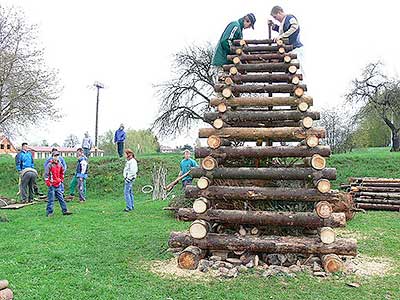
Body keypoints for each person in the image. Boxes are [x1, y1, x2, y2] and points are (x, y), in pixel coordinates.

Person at [269, 6, 305, 75]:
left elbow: (294, 27)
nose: (276, 19)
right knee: (292, 71)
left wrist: (281, 37)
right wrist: (274, 26)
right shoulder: (284, 22)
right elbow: (284, 29)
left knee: (298, 70)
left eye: (275, 17)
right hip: (292, 50)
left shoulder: (289, 18)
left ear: (279, 12)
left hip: (296, 49)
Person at [44, 151, 72, 217]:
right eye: (55, 156)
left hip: (58, 184)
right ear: (52, 157)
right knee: (51, 199)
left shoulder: (60, 164)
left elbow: (62, 172)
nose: (56, 157)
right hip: (52, 185)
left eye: (57, 156)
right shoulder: (49, 165)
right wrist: (48, 183)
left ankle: (65, 211)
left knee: (61, 198)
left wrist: (61, 179)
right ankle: (49, 212)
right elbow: (46, 175)